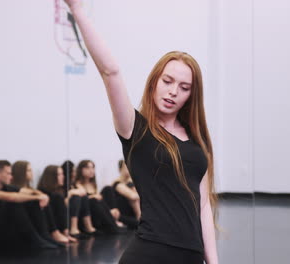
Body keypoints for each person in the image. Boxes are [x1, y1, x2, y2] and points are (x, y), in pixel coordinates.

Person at [63, 1, 220, 263]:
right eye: (167, 81)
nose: (173, 92)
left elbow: (203, 205)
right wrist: (78, 9)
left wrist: (212, 261)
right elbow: (110, 72)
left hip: (190, 258)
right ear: (155, 81)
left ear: (192, 94)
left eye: (184, 87)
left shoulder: (197, 142)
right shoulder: (135, 129)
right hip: (149, 254)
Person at [0, 160, 58, 249]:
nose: (11, 177)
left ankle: (44, 235)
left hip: (7, 228)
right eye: (8, 174)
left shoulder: (7, 187)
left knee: (33, 201)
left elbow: (28, 191)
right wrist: (37, 197)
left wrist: (41, 195)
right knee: (15, 203)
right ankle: (35, 239)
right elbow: (12, 197)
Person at [11, 160, 70, 244]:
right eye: (28, 170)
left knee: (44, 198)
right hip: (25, 222)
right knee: (39, 201)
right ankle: (52, 233)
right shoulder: (14, 189)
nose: (31, 173)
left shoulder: (32, 189)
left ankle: (55, 232)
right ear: (21, 172)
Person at [37, 164, 96, 240]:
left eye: (62, 174)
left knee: (82, 198)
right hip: (54, 224)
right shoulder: (45, 193)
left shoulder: (61, 189)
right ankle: (68, 231)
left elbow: (82, 193)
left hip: (65, 217)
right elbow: (62, 205)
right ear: (52, 177)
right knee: (75, 197)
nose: (63, 176)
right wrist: (70, 194)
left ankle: (87, 227)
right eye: (59, 174)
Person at [74, 160, 121, 234]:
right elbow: (83, 201)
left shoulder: (93, 184)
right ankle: (112, 225)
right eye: (87, 168)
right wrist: (93, 196)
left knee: (107, 189)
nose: (91, 170)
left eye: (92, 168)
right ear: (81, 170)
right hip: (89, 216)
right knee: (94, 200)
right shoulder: (77, 184)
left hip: (99, 212)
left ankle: (114, 213)